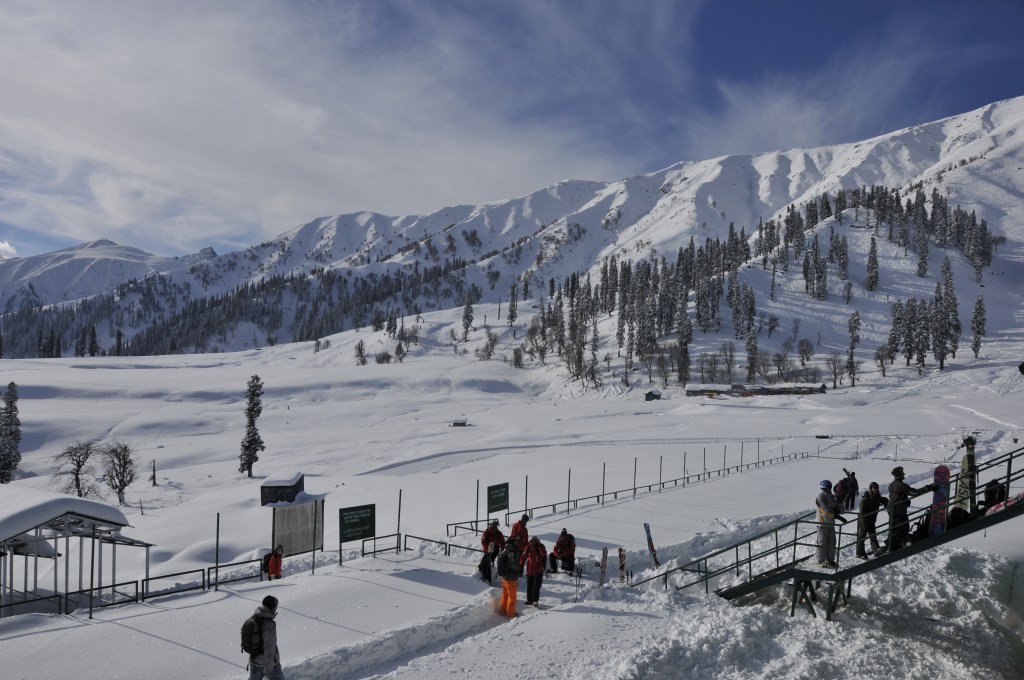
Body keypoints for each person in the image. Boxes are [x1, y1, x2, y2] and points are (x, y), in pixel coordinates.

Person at [886, 466, 930, 552]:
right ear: (899, 474)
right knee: (904, 529)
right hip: (899, 511)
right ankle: (890, 544)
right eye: (902, 473)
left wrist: (904, 500)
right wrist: (928, 488)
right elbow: (914, 492)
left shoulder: (892, 484)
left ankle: (892, 545)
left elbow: (895, 496)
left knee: (894, 528)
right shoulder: (901, 485)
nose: (904, 474)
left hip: (892, 509)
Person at [248, 595, 285, 680]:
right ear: (272, 607)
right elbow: (269, 648)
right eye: (276, 606)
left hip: (254, 660)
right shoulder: (269, 624)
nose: (276, 608)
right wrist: (269, 669)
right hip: (269, 664)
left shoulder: (255, 617)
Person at [815, 480, 844, 568]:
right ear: (824, 487)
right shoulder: (820, 497)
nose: (830, 488)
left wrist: (837, 509)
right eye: (828, 487)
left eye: (830, 487)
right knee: (822, 542)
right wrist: (835, 515)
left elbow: (834, 505)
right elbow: (825, 510)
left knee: (832, 541)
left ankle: (830, 560)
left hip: (831, 523)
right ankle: (820, 560)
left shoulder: (831, 496)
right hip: (822, 523)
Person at [856, 482, 887, 558]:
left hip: (872, 522)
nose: (876, 489)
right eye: (874, 488)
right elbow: (862, 514)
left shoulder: (877, 498)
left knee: (873, 537)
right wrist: (864, 525)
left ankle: (876, 551)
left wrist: (886, 502)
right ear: (871, 489)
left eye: (877, 488)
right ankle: (860, 553)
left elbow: (883, 499)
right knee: (861, 538)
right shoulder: (865, 500)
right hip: (863, 522)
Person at [496, 535, 524, 618]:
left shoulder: (506, 550)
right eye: (516, 541)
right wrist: (520, 568)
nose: (517, 542)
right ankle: (511, 614)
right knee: (512, 597)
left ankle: (502, 610)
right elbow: (514, 566)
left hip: (505, 577)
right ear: (512, 542)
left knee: (504, 595)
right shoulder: (514, 552)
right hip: (511, 578)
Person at [953, 436, 979, 518]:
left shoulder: (968, 457)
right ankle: (962, 509)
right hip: (966, 483)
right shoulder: (966, 457)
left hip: (967, 482)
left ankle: (962, 509)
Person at [521, 535, 547, 607]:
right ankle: (529, 600)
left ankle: (535, 600)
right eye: (530, 541)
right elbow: (523, 557)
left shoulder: (540, 546)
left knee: (536, 586)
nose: (531, 543)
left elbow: (543, 554)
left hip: (538, 570)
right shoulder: (528, 548)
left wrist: (539, 546)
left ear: (536, 541)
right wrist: (521, 564)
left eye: (533, 541)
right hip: (530, 570)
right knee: (529, 586)